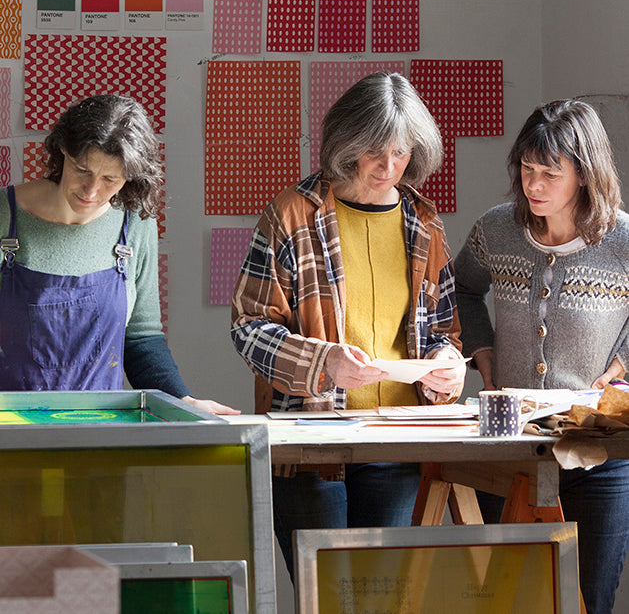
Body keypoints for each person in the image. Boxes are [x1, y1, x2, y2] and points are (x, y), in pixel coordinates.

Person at [231, 72, 466, 579]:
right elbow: (248, 327)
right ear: (346, 144)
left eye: (401, 153)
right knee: (329, 595)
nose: (389, 167)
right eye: (374, 152)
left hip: (397, 441)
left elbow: (444, 330)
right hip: (311, 444)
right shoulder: (293, 215)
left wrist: (447, 364)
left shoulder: (424, 223)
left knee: (383, 594)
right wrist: (323, 362)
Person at [455, 98, 629, 614]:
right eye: (527, 170)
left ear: (584, 174)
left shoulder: (622, 241)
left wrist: (622, 365)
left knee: (588, 599)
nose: (534, 185)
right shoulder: (497, 229)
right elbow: (460, 290)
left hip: (596, 449)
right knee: (511, 597)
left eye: (550, 173)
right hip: (507, 450)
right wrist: (482, 354)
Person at [0, 94, 239, 415]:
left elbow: (141, 338)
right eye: (82, 169)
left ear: (130, 177)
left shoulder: (135, 224)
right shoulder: (6, 216)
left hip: (99, 431)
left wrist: (184, 401)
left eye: (110, 179)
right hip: (10, 428)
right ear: (62, 151)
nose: (91, 190)